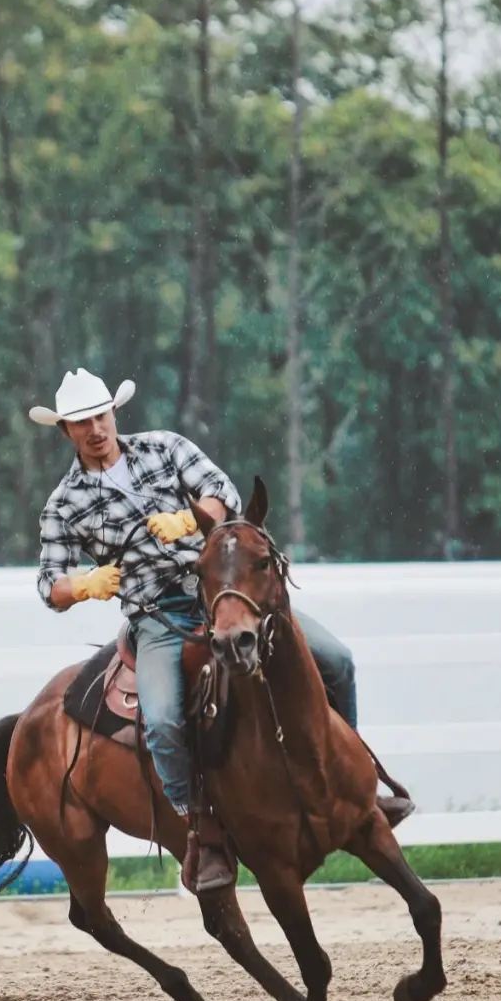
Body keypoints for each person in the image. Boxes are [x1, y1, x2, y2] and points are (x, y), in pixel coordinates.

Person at [30, 368, 411, 891]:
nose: (95, 429)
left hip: (227, 593)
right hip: (158, 617)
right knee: (162, 721)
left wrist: (188, 521)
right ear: (65, 432)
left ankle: (353, 786)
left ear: (113, 414)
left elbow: (222, 493)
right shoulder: (64, 503)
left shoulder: (164, 447)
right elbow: (49, 585)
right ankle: (202, 831)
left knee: (335, 659)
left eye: (100, 416)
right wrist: (86, 585)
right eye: (81, 422)